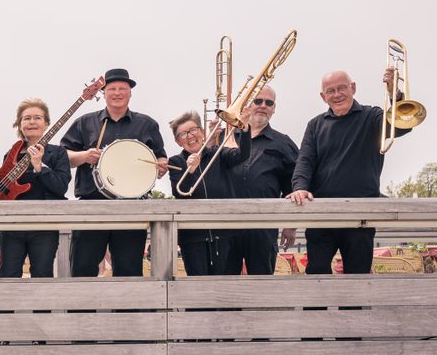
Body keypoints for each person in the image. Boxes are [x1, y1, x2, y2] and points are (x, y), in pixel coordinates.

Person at [288, 68, 408, 274]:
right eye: (330, 90)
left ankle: (355, 309)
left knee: (358, 277)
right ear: (323, 96)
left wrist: (393, 94)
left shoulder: (372, 116)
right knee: (316, 273)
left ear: (353, 88)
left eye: (342, 88)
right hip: (321, 214)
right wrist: (299, 187)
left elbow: (402, 125)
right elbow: (305, 161)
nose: (337, 95)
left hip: (360, 216)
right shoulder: (315, 125)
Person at [61, 69, 169, 277]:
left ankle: (127, 311)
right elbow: (63, 157)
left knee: (129, 271)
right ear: (103, 92)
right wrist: (85, 156)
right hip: (91, 205)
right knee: (82, 269)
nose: (117, 93)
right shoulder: (85, 122)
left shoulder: (146, 124)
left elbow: (160, 159)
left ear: (130, 93)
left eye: (122, 89)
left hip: (132, 207)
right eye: (112, 89)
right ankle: (82, 311)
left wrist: (161, 166)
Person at [0, 99, 71, 278]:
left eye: (37, 118)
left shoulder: (58, 153)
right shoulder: (11, 154)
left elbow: (61, 187)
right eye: (26, 118)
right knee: (8, 275)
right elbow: (4, 189)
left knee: (42, 275)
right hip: (12, 225)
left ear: (47, 123)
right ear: (19, 124)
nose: (32, 122)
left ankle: (41, 308)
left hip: (44, 226)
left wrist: (39, 167)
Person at [227, 86, 299, 275]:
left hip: (263, 226)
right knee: (224, 284)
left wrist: (290, 225)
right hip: (226, 225)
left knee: (262, 284)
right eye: (257, 101)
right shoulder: (225, 138)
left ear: (274, 108)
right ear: (247, 104)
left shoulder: (283, 143)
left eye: (269, 103)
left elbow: (294, 186)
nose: (262, 106)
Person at [167, 110, 250, 276]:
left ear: (202, 132)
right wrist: (189, 171)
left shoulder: (218, 154)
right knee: (198, 286)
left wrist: (245, 128)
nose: (190, 136)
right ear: (177, 142)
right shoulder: (175, 162)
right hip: (193, 238)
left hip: (225, 234)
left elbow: (243, 155)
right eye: (183, 134)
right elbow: (180, 194)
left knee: (225, 285)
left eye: (193, 130)